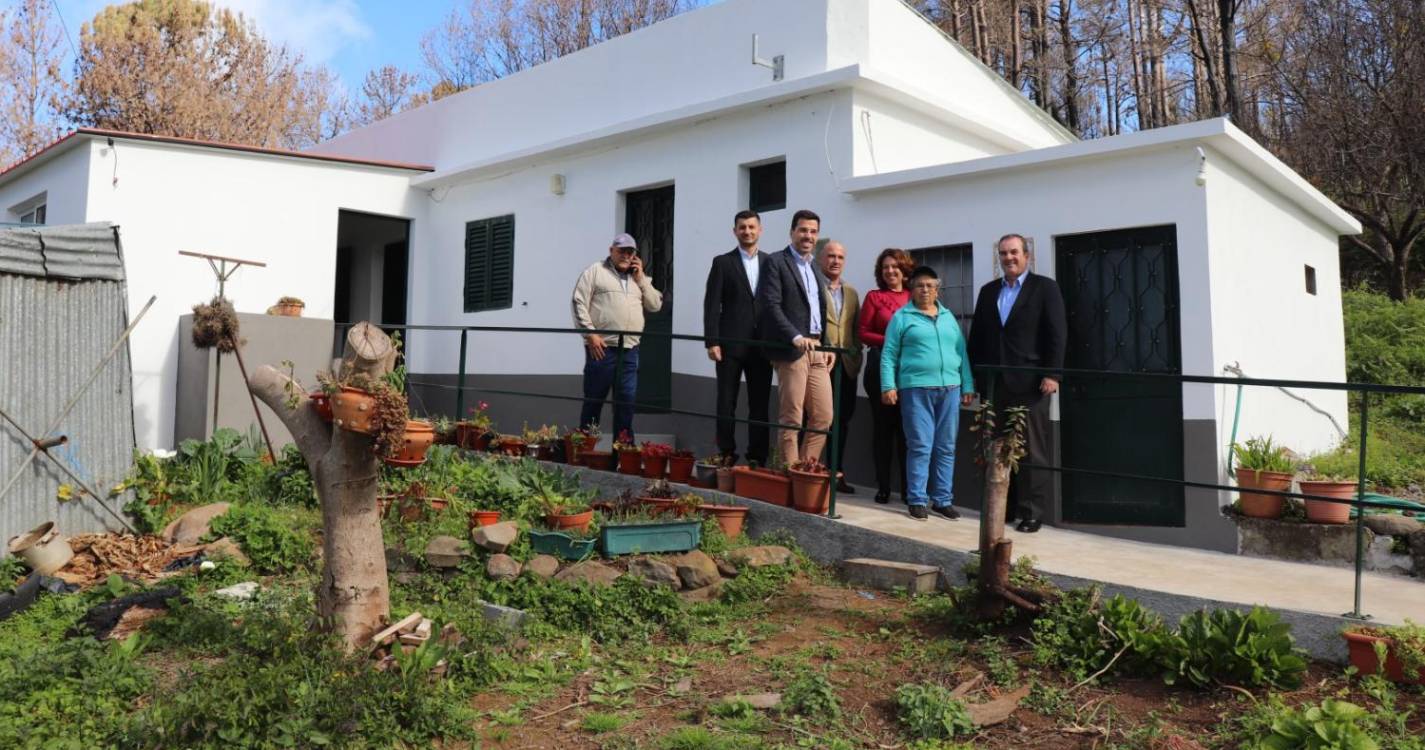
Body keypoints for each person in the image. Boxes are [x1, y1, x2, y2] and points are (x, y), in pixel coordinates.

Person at [967, 233, 1066, 533]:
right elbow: (978, 338)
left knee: (1031, 448)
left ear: (1027, 256)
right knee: (997, 447)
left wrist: (1053, 374)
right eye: (1003, 254)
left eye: (1014, 253)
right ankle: (1003, 507)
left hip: (1031, 383)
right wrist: (973, 378)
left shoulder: (1045, 288)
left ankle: (1031, 511)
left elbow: (1057, 333)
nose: (1008, 258)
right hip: (995, 384)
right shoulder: (988, 291)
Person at [880, 266, 975, 521]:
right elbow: (889, 354)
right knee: (920, 445)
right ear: (912, 289)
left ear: (937, 289)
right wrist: (888, 385)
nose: (925, 289)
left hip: (950, 389)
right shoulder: (902, 317)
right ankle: (918, 499)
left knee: (946, 446)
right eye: (920, 285)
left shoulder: (948, 318)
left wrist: (967, 385)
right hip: (916, 389)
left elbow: (961, 352)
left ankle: (942, 500)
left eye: (930, 285)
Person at [757, 209, 833, 466]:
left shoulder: (814, 265)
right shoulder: (776, 262)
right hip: (792, 348)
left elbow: (820, 309)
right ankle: (788, 475)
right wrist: (795, 336)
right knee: (792, 417)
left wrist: (828, 345)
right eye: (803, 230)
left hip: (817, 347)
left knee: (823, 416)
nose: (808, 236)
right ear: (792, 232)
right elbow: (771, 305)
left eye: (813, 231)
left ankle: (804, 470)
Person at [571, 232, 663, 440]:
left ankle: (622, 450)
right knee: (594, 402)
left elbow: (655, 305)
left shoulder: (638, 279)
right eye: (621, 250)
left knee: (626, 405)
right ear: (611, 250)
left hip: (630, 350)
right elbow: (578, 303)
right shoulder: (595, 271)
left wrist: (641, 280)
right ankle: (588, 443)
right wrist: (590, 335)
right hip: (602, 349)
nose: (625, 255)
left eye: (630, 252)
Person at [703, 210, 773, 466]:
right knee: (726, 401)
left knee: (760, 404)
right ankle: (726, 452)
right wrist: (711, 341)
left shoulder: (770, 263)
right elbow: (712, 304)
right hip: (729, 344)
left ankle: (757, 456)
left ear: (760, 230)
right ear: (735, 231)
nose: (747, 231)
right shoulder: (722, 262)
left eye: (752, 227)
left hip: (762, 345)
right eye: (742, 227)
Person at [858, 248, 915, 504]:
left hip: (911, 373)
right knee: (883, 429)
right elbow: (863, 332)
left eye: (895, 267)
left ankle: (907, 489)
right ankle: (883, 486)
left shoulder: (915, 297)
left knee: (907, 432)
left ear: (904, 270)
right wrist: (893, 341)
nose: (890, 271)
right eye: (885, 268)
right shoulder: (874, 297)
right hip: (880, 369)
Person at [818, 240, 860, 492]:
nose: (835, 261)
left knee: (841, 421)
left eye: (840, 257)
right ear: (821, 259)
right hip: (819, 364)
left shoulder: (852, 292)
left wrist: (855, 357)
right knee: (813, 420)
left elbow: (856, 330)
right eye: (831, 256)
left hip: (846, 366)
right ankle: (807, 472)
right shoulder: (812, 286)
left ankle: (836, 473)